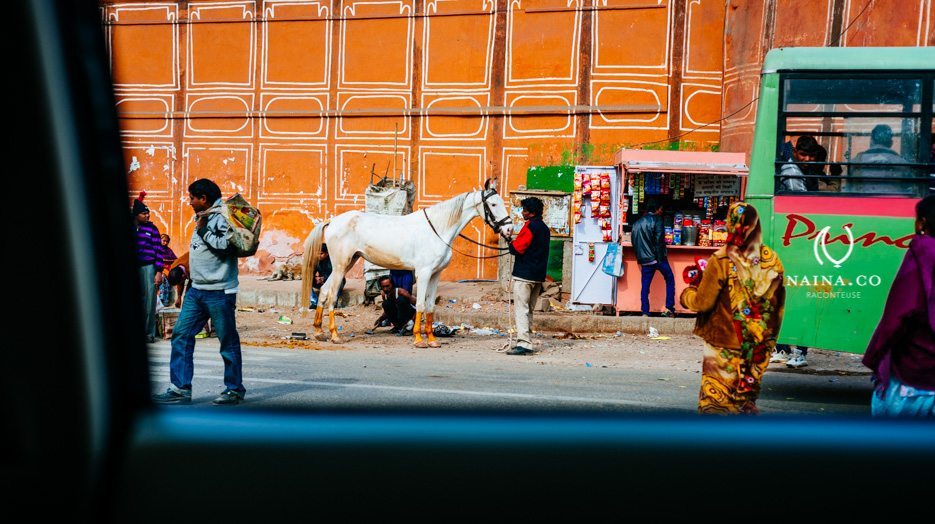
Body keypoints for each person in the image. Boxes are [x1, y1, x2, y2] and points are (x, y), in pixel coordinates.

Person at [681, 202, 786, 415]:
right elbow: (777, 306)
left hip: (724, 344)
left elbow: (703, 302)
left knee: (717, 403)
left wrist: (687, 295)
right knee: (743, 403)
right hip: (756, 347)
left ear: (731, 225)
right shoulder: (771, 260)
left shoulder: (722, 259)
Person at [152, 179, 246, 405]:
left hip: (220, 291)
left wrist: (204, 231)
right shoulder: (203, 217)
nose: (189, 201)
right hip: (197, 290)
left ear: (203, 199)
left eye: (191, 197)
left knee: (227, 341)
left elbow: (228, 247)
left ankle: (234, 389)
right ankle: (180, 388)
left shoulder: (221, 217)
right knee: (181, 335)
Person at [862, 196, 934, 416]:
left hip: (914, 377)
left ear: (921, 223)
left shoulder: (921, 254)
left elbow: (897, 317)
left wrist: (874, 357)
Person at [506, 197, 550, 356]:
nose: (522, 212)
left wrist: (510, 242)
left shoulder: (530, 226)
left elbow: (518, 248)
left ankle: (524, 343)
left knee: (521, 309)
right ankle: (527, 339)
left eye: (524, 210)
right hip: (538, 276)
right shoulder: (544, 228)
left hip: (524, 275)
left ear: (530, 212)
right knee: (529, 310)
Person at [631, 200, 675, 317]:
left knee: (645, 286)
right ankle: (669, 308)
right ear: (656, 209)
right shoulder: (658, 220)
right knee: (670, 278)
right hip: (658, 258)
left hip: (645, 260)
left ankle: (645, 311)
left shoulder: (636, 224)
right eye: (660, 209)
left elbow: (634, 243)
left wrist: (640, 259)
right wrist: (660, 258)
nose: (661, 211)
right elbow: (659, 240)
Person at [132, 192, 164, 343]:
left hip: (149, 267)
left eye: (148, 213)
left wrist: (158, 271)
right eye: (144, 213)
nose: (147, 215)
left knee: (149, 301)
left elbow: (159, 250)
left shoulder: (152, 229)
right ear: (136, 215)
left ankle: (149, 333)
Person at [849, 124, 912, 194]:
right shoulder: (902, 162)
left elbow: (848, 186)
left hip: (862, 202)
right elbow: (909, 188)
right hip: (894, 202)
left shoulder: (856, 161)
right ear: (891, 143)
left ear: (871, 141)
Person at [158, 233, 178, 307]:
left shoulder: (169, 250)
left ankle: (166, 300)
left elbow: (175, 259)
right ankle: (163, 300)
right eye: (163, 241)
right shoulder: (157, 248)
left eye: (167, 241)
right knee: (163, 279)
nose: (165, 243)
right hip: (159, 269)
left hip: (168, 269)